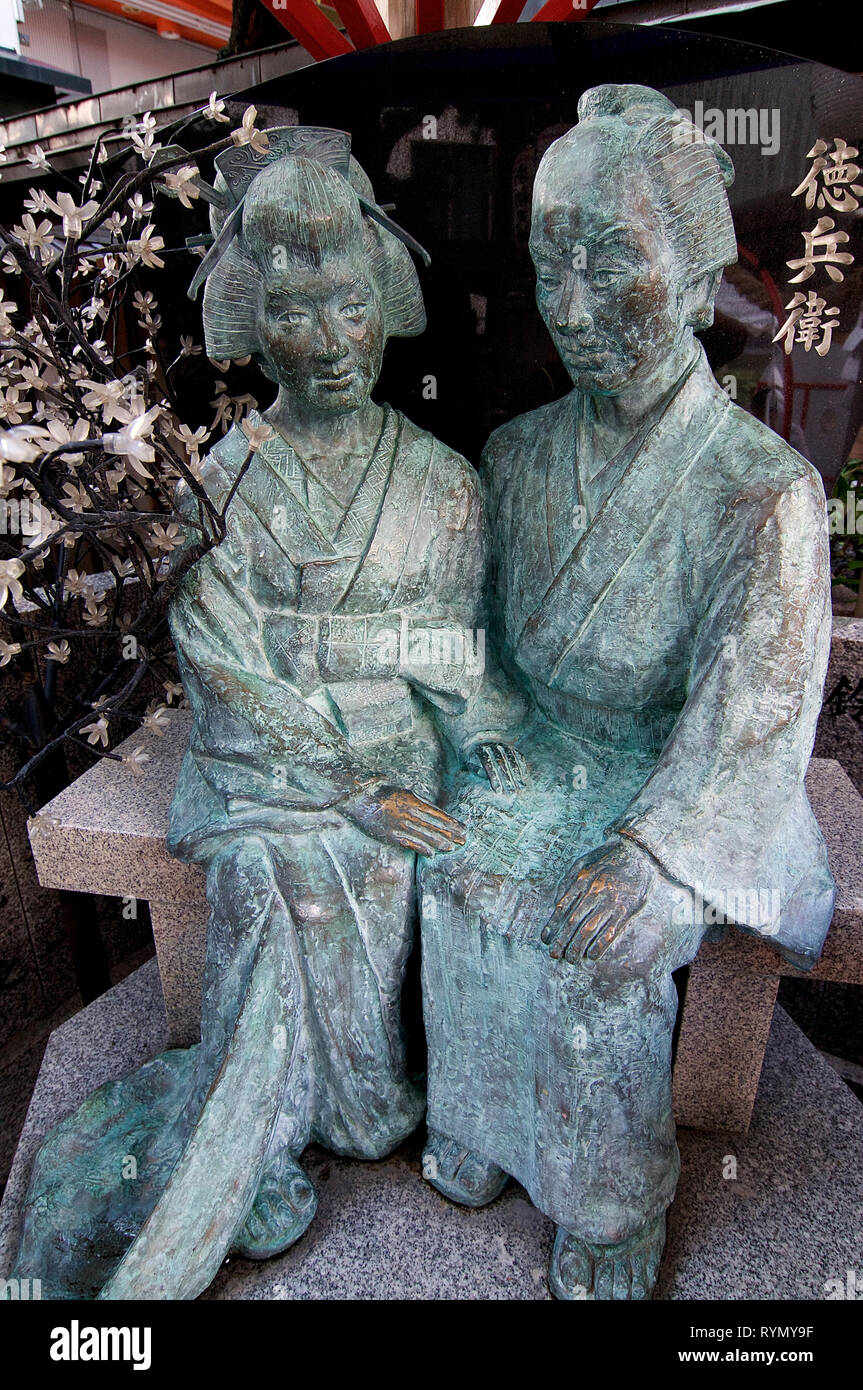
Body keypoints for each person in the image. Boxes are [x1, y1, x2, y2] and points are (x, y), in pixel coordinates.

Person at [13, 129, 512, 1300]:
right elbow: (222, 663)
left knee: (423, 858)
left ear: (383, 305)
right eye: (291, 314)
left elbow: (453, 648)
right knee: (279, 868)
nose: (328, 343)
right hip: (269, 762)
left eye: (347, 306)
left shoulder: (443, 481)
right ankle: (268, 1132)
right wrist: (340, 779)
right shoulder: (219, 481)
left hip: (408, 749)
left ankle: (360, 1111)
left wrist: (473, 735)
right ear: (248, 321)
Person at [418, 84, 835, 1301]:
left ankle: (608, 1201)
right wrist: (481, 724)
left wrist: (657, 853)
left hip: (676, 782)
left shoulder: (762, 495)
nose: (575, 306)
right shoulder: (517, 454)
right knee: (450, 856)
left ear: (696, 261)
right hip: (540, 745)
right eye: (552, 264)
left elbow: (753, 717)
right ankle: (483, 1126)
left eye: (614, 260)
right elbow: (471, 637)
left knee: (601, 931)